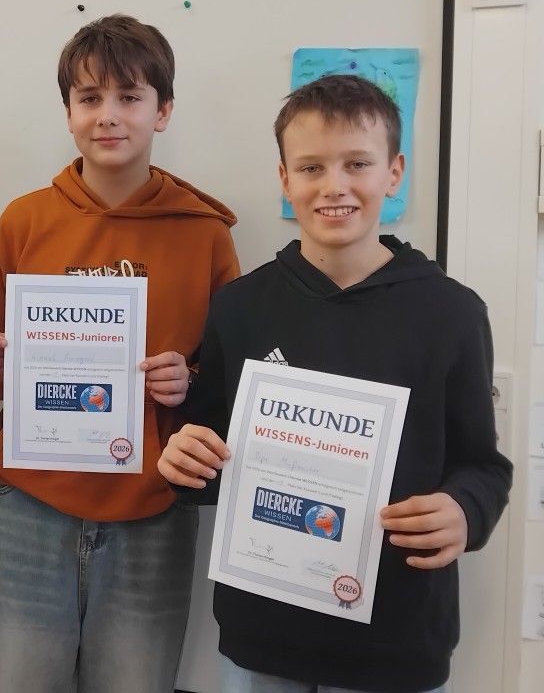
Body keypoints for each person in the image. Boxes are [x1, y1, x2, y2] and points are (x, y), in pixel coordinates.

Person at [159, 74, 513, 693]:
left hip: (395, 640)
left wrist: (464, 510)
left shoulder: (452, 314)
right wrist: (185, 458)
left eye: (358, 164)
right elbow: (209, 448)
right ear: (285, 179)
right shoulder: (240, 308)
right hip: (261, 634)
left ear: (394, 173)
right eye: (311, 167)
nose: (334, 186)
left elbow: (482, 465)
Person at [0, 14, 240, 692]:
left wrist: (189, 380)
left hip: (154, 505)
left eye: (130, 97)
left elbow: (230, 382)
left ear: (163, 110)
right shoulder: (24, 221)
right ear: (68, 112)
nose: (108, 115)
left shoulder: (206, 233)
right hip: (32, 503)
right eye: (89, 98)